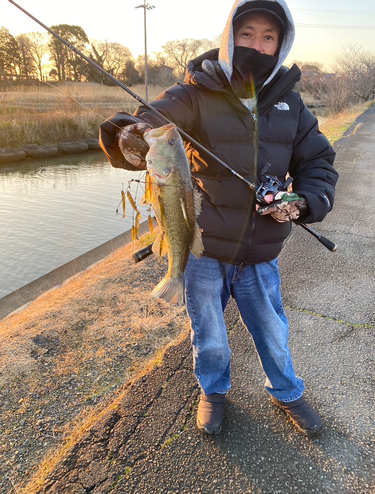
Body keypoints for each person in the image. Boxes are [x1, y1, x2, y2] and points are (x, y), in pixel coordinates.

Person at [99, 0, 338, 437]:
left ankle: (287, 391)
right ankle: (213, 392)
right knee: (207, 335)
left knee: (272, 331)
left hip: (263, 250)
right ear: (229, 38)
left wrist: (303, 201)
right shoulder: (193, 91)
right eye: (247, 35)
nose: (257, 45)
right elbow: (150, 120)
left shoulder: (291, 103)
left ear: (282, 45)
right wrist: (125, 133)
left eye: (269, 37)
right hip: (203, 247)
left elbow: (319, 161)